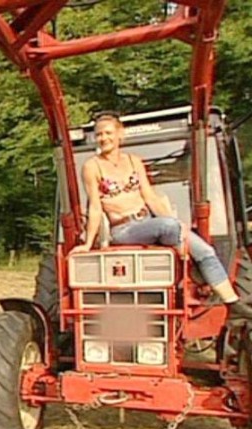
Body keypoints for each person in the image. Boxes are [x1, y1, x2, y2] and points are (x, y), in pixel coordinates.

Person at [71, 111, 249, 315]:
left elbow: (150, 196)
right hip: (125, 229)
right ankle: (185, 260)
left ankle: (231, 302)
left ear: (121, 134)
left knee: (206, 251)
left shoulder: (133, 161)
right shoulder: (92, 167)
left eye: (108, 133)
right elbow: (94, 206)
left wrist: (177, 223)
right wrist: (87, 243)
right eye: (99, 134)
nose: (104, 138)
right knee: (169, 228)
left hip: (150, 221)